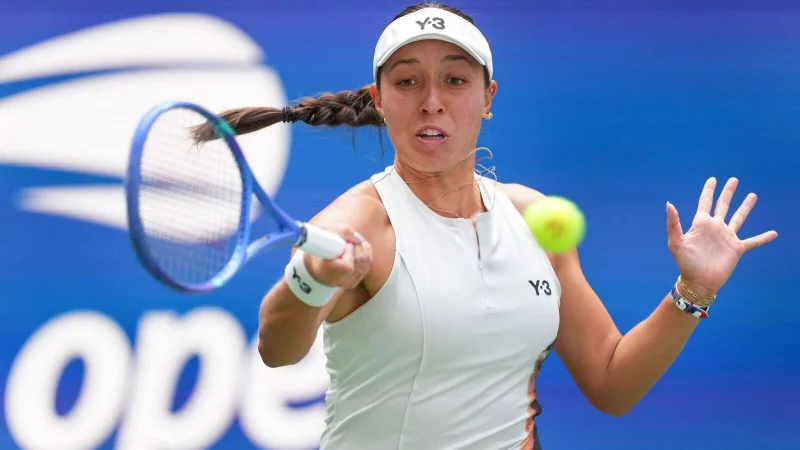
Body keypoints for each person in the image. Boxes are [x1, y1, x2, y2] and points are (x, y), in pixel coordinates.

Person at [201, 2, 778, 449]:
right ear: (379, 99)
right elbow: (277, 348)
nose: (432, 101)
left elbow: (611, 382)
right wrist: (313, 279)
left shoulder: (531, 218)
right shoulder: (360, 222)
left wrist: (693, 290)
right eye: (407, 82)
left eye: (455, 80)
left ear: (487, 97)